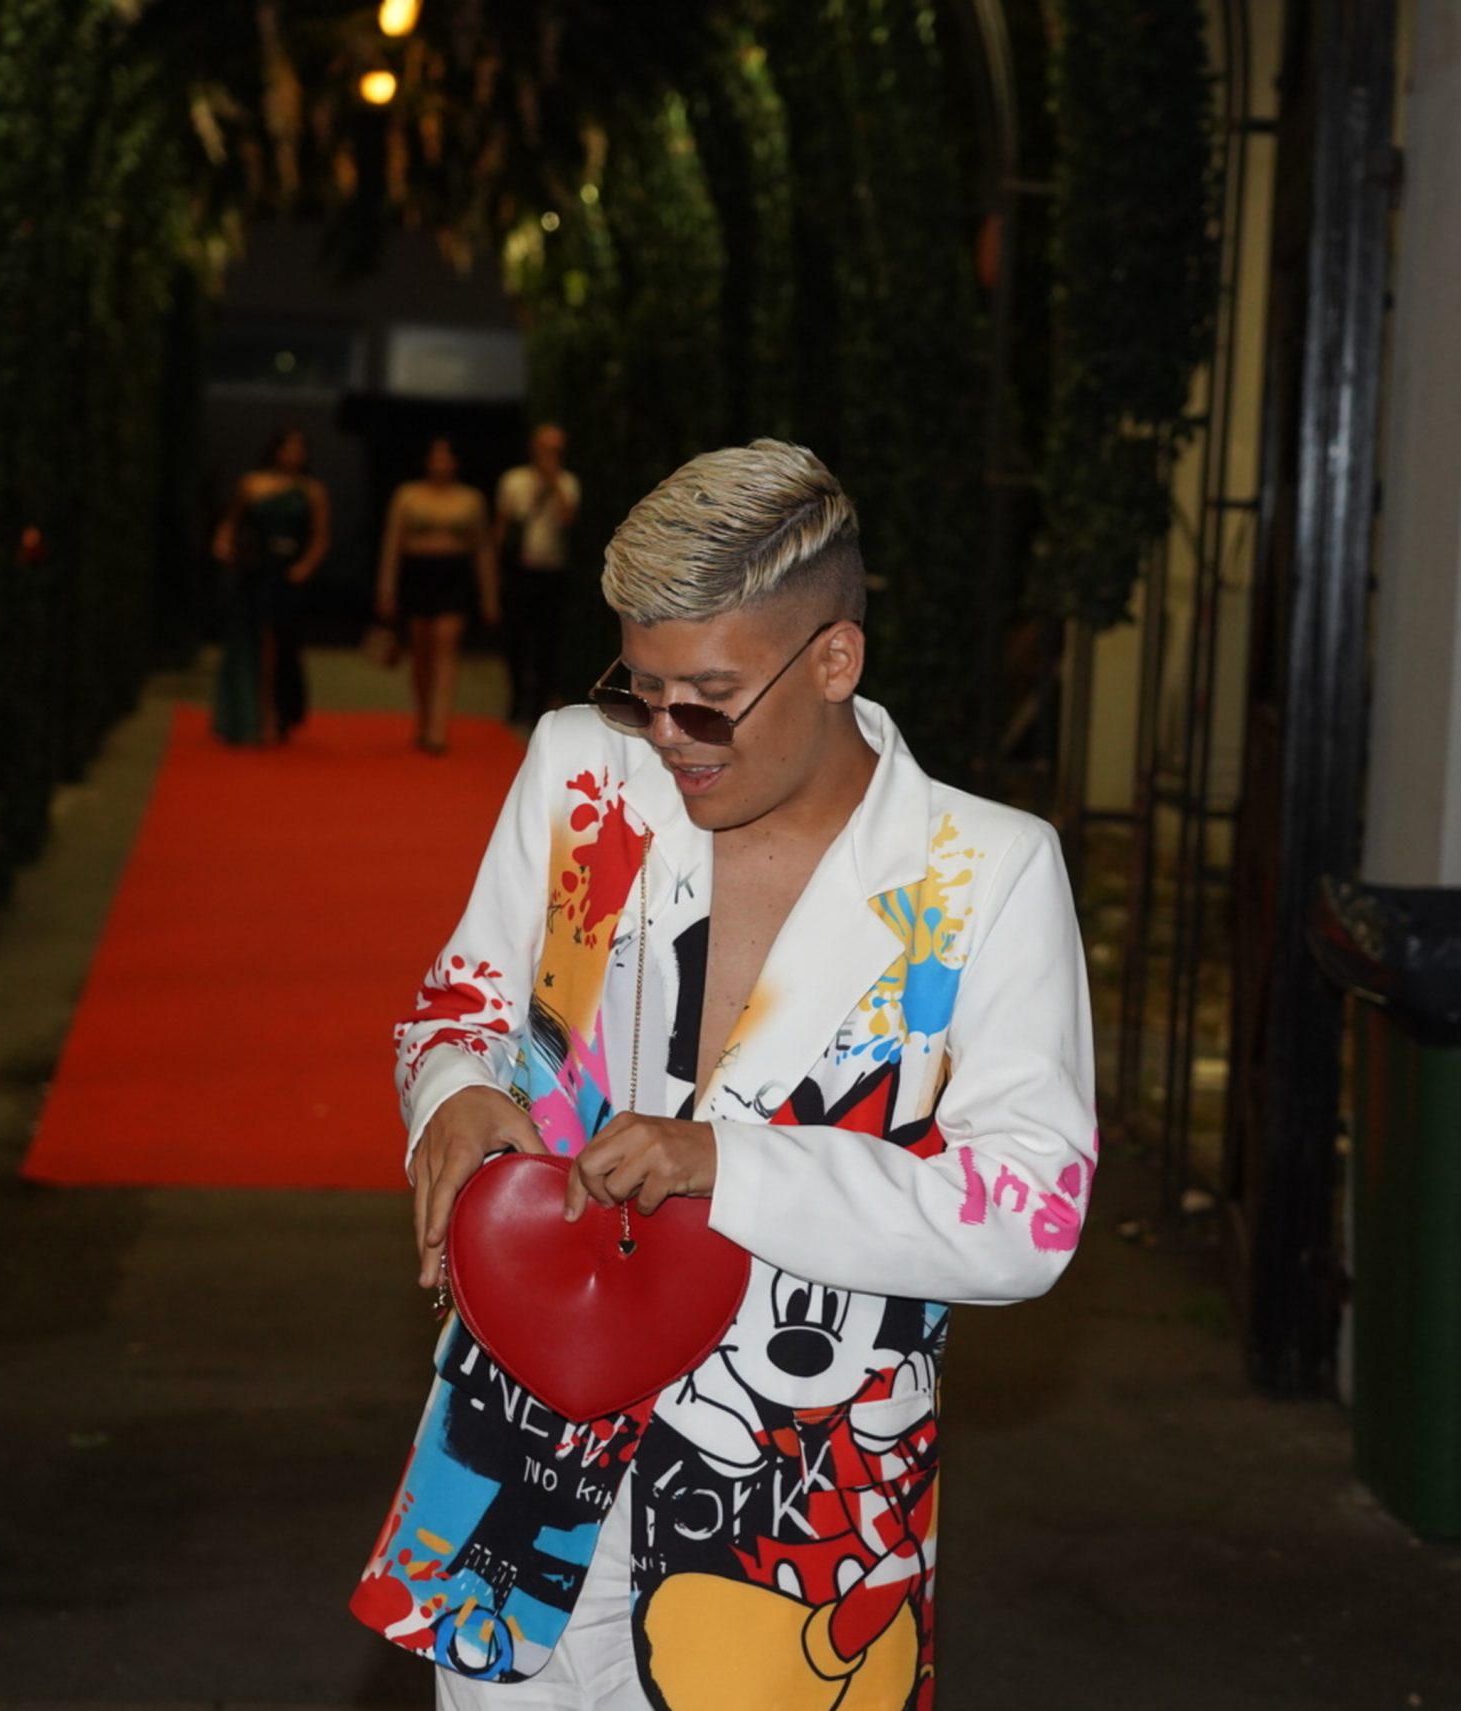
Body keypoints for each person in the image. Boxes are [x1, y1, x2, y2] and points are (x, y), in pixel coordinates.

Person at [352, 440, 1099, 1709]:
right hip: (516, 1449)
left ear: (834, 659)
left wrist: (728, 1165)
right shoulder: (582, 773)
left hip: (796, 1521)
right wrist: (457, 1093)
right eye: (640, 690)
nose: (667, 736)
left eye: (707, 698)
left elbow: (1030, 1214)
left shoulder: (983, 873)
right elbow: (459, 1008)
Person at [376, 435, 501, 755]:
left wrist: (489, 594)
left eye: (447, 457)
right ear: (427, 460)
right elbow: (392, 543)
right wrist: (386, 587)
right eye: (436, 456)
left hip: (453, 575)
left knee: (446, 646)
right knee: (421, 651)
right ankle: (423, 717)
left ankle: (438, 727)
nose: (441, 463)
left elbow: (482, 549)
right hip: (418, 574)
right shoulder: (408, 494)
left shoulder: (470, 499)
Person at [209, 428, 330, 745]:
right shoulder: (252, 484)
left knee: (282, 642)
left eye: (299, 448)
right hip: (255, 569)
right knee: (255, 640)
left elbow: (320, 537)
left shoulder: (311, 490)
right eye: (288, 447)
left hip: (288, 573)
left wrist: (305, 567)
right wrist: (223, 544)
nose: (293, 454)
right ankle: (253, 713)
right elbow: (230, 523)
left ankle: (278, 711)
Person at [493, 423, 582, 725]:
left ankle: (540, 702)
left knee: (548, 640)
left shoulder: (568, 482)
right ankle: (517, 696)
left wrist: (553, 482)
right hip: (519, 570)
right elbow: (502, 526)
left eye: (556, 449)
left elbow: (568, 519)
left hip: (552, 570)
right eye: (545, 448)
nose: (549, 454)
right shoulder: (514, 480)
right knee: (515, 637)